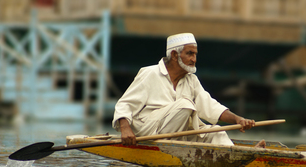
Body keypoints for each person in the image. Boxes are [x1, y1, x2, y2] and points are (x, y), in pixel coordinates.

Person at [112, 33, 261, 147]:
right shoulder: (150, 73)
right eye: (190, 53)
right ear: (175, 55)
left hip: (178, 136)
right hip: (149, 133)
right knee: (185, 104)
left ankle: (241, 157)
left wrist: (238, 119)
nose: (194, 59)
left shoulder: (191, 80)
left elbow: (210, 106)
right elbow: (125, 105)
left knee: (217, 132)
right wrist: (126, 130)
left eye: (195, 54)